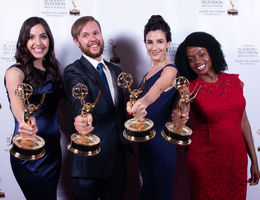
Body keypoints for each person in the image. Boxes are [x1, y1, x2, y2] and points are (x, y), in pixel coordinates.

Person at [172, 31, 260, 200]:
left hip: (236, 160)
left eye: (201, 54)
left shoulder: (234, 82)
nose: (197, 61)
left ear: (212, 52)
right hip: (205, 161)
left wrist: (254, 160)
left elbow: (243, 122)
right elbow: (182, 110)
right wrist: (179, 115)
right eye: (191, 59)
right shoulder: (189, 87)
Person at [63, 16, 129, 200]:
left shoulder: (115, 71)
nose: (92, 38)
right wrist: (81, 118)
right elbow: (79, 99)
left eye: (95, 33)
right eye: (85, 35)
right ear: (76, 42)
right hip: (88, 163)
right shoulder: (74, 71)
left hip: (117, 163)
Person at [4, 17, 63, 200]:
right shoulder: (15, 72)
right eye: (31, 37)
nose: (38, 43)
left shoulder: (53, 69)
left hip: (53, 150)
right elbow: (16, 100)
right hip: (29, 152)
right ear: (24, 42)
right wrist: (24, 121)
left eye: (43, 37)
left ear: (49, 40)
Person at [126, 15, 178, 200]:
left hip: (161, 144)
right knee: (147, 193)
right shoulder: (148, 73)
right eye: (150, 42)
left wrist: (142, 103)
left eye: (160, 41)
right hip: (146, 144)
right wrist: (132, 105)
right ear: (145, 44)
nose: (154, 47)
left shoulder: (171, 70)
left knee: (160, 194)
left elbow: (158, 90)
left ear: (168, 43)